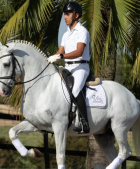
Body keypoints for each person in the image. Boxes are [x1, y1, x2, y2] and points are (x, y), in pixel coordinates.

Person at [47, 1, 90, 134]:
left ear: (76, 15)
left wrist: (60, 56)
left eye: (68, 14)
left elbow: (79, 52)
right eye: (64, 15)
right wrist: (49, 59)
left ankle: (84, 122)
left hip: (81, 67)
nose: (65, 17)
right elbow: (60, 51)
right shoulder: (66, 34)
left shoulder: (82, 31)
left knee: (75, 90)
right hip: (67, 67)